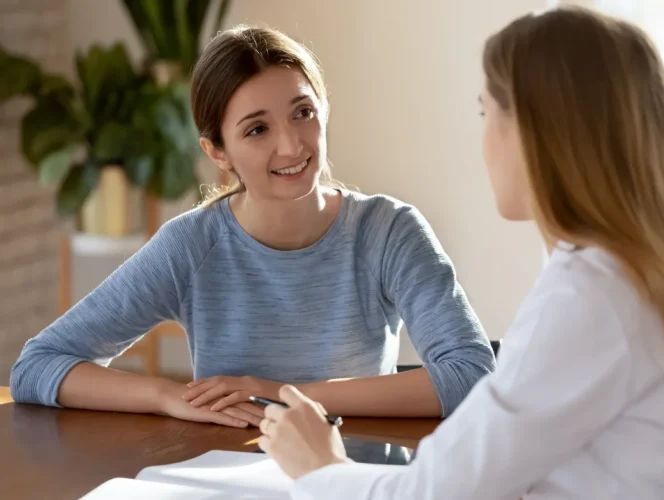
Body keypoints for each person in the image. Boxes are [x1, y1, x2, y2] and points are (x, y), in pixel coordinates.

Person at [256, 7, 664, 500]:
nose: (483, 142)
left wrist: (320, 466)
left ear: (537, 133)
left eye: (486, 113)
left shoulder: (588, 296)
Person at [9, 26, 495, 427]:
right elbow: (38, 365)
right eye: (257, 129)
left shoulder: (389, 231)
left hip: (354, 478)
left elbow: (471, 374)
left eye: (303, 113)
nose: (292, 146)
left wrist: (282, 394)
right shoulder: (193, 245)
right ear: (217, 152)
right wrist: (167, 395)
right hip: (226, 476)